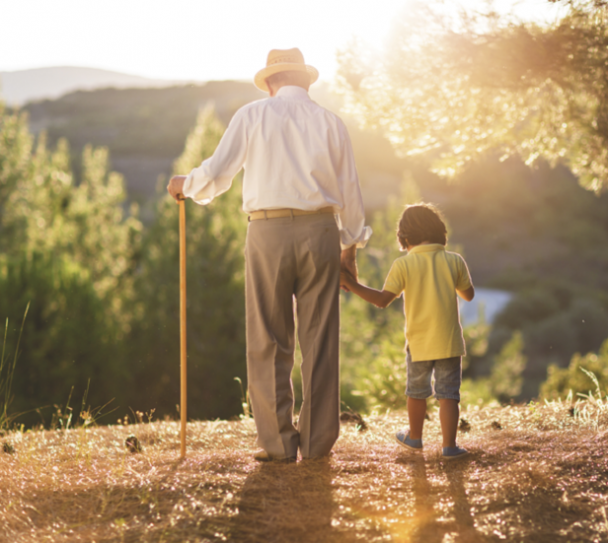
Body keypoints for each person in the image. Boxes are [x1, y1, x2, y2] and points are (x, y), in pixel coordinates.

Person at [167, 48, 371, 462]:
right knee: (320, 340)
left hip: (267, 231)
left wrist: (185, 183)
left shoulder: (252, 115)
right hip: (321, 232)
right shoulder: (332, 122)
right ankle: (316, 445)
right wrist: (349, 249)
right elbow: (350, 191)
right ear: (306, 81)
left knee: (268, 338)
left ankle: (278, 444)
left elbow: (219, 173)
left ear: (271, 82)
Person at [339, 203, 474, 459]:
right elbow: (468, 295)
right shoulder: (455, 260)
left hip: (419, 343)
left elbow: (381, 300)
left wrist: (350, 284)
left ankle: (414, 437)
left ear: (405, 238)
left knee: (416, 392)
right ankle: (449, 447)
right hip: (449, 342)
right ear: (439, 232)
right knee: (448, 395)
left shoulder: (403, 265)